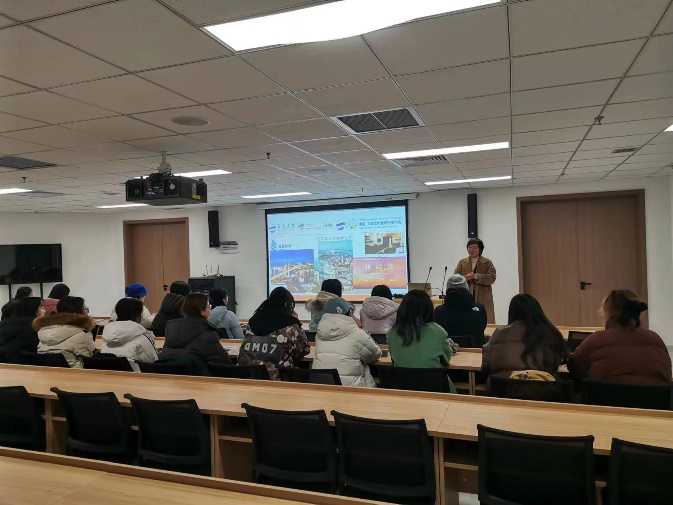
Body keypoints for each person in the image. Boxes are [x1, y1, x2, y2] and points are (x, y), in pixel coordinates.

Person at [568, 290, 671, 384]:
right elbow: (667, 373)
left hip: (606, 397)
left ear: (608, 312)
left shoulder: (597, 339)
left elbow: (574, 366)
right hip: (654, 398)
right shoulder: (655, 339)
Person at [482, 294, 567, 377]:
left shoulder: (499, 334)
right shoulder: (550, 333)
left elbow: (486, 367)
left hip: (504, 385)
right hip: (542, 385)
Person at [239, 287, 310, 379]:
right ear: (286, 305)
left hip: (247, 378)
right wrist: (297, 322)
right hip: (278, 380)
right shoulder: (290, 325)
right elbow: (304, 350)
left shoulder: (253, 320)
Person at [313, 297, 382, 387]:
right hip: (351, 390)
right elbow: (375, 354)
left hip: (321, 387)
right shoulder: (356, 333)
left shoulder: (319, 334)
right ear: (350, 314)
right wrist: (360, 328)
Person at [160, 293, 232, 374]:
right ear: (202, 310)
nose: (210, 309)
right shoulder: (209, 333)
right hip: (198, 377)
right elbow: (225, 363)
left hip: (169, 376)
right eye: (209, 306)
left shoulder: (171, 328)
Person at [387, 289, 453, 369]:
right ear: (429, 309)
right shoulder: (437, 332)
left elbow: (394, 360)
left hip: (401, 377)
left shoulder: (392, 333)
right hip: (431, 377)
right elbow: (446, 360)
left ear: (403, 308)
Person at [34, 296, 95, 368]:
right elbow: (89, 360)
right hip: (75, 373)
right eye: (85, 309)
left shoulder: (45, 330)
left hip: (45, 372)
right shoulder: (82, 334)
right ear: (77, 313)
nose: (87, 312)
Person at [102, 298, 158, 372]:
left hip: (108, 376)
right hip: (135, 376)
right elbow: (153, 361)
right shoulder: (142, 338)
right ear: (138, 316)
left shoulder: (106, 337)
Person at [434, 274, 487, 347]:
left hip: (447, 351)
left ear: (447, 289)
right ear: (466, 288)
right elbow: (482, 327)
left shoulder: (438, 311)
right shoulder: (479, 309)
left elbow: (437, 333)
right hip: (475, 350)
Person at [454, 238, 496, 324]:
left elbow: (492, 277)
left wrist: (476, 276)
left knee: (484, 321)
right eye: (469, 247)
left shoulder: (487, 262)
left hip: (483, 295)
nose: (471, 250)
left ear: (480, 249)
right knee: (467, 322)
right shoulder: (462, 262)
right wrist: (466, 278)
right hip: (466, 294)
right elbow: (455, 278)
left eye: (474, 247)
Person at [0, 297, 43, 364]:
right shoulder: (32, 327)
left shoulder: (5, 325)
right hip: (20, 365)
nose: (45, 310)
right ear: (33, 309)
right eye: (41, 307)